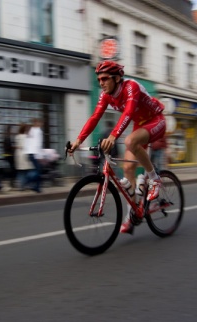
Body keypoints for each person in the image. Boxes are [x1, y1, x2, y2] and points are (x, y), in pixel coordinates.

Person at [68, 61, 166, 234]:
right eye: (99, 80)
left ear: (117, 78)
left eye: (105, 78)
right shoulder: (105, 95)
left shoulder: (131, 87)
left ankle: (154, 178)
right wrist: (78, 141)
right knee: (128, 168)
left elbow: (128, 112)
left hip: (156, 120)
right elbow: (94, 117)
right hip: (140, 125)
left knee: (129, 141)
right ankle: (133, 214)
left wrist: (113, 136)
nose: (101, 83)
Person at [24, 118, 44, 193]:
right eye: (40, 123)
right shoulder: (38, 131)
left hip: (30, 153)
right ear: (37, 123)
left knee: (37, 170)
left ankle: (36, 187)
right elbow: (38, 144)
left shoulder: (30, 131)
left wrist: (27, 152)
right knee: (38, 170)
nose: (40, 124)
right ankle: (29, 181)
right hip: (35, 153)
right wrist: (40, 156)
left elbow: (27, 142)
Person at [14, 123, 34, 190]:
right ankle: (27, 184)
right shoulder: (27, 137)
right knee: (28, 171)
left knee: (20, 172)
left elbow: (17, 146)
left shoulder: (17, 136)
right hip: (25, 155)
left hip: (18, 155)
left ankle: (21, 186)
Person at [2, 124, 16, 191]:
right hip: (8, 154)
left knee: (8, 168)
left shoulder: (7, 136)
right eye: (12, 129)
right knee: (13, 168)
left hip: (6, 154)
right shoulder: (7, 137)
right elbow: (8, 147)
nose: (13, 131)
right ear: (9, 130)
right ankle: (11, 182)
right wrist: (14, 147)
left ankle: (9, 181)